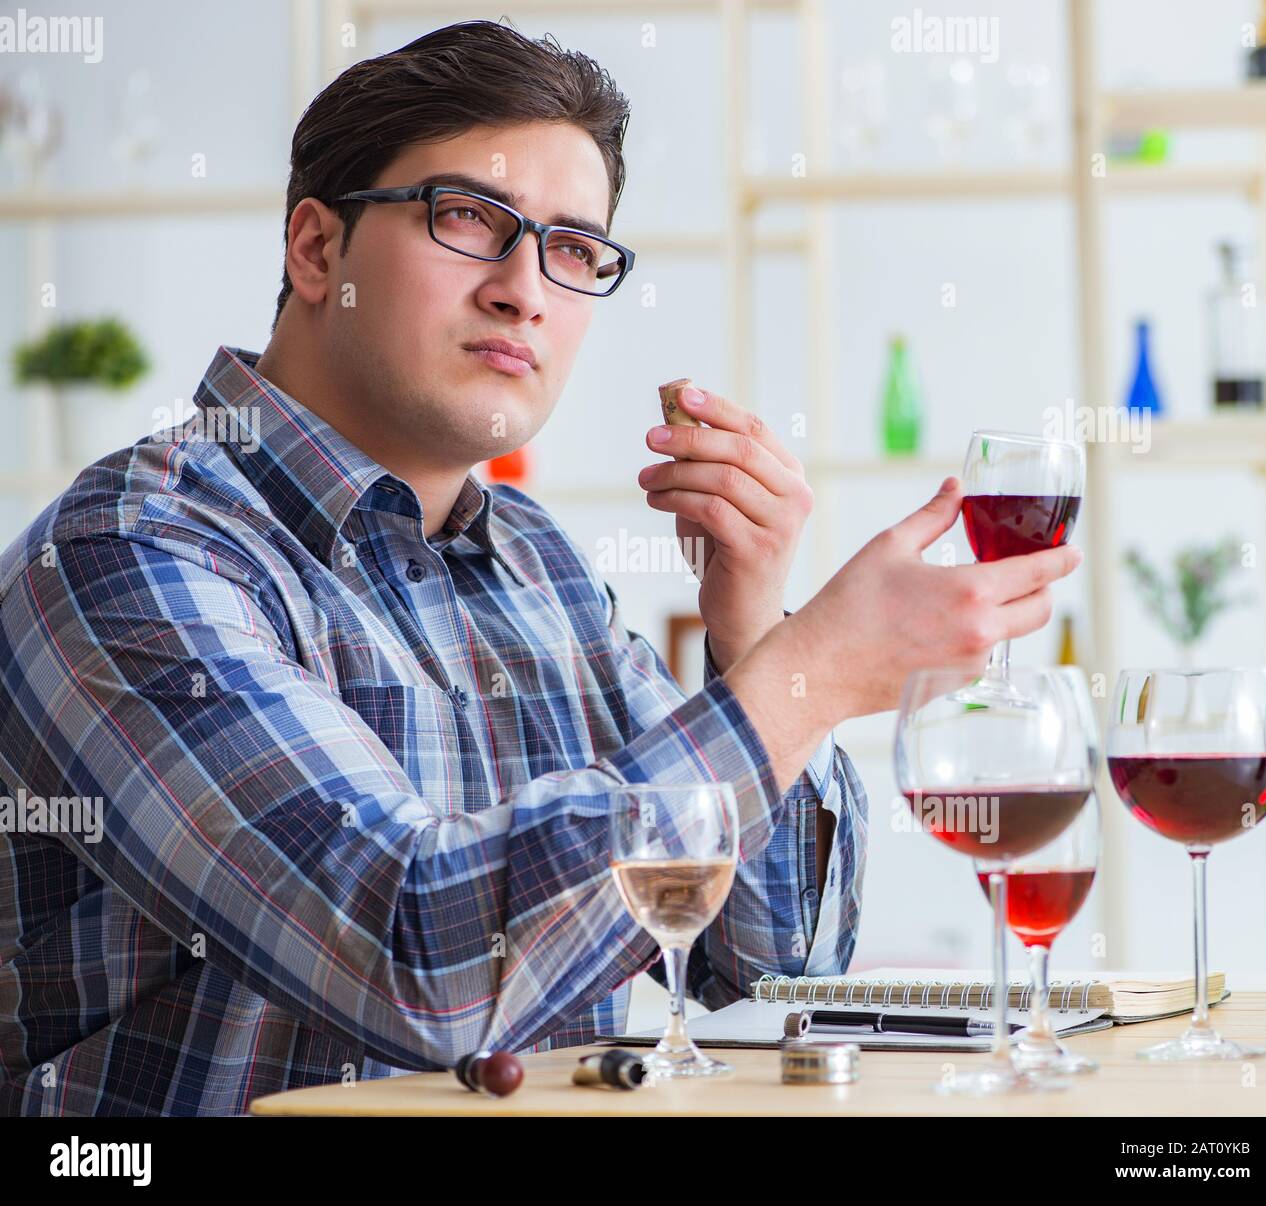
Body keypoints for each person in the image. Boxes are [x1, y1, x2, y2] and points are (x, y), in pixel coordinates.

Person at [0, 20, 1079, 1116]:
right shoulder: (129, 554)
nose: (526, 291)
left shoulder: (534, 561)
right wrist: (809, 677)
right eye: (467, 218)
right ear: (317, 251)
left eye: (572, 249)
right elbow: (416, 957)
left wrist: (754, 628)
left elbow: (762, 954)